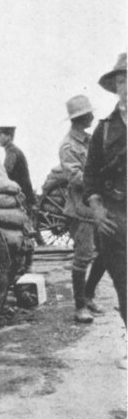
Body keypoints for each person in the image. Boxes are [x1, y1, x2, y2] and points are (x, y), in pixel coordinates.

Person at [83, 53, 127, 331]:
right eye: (121, 80)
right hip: (116, 219)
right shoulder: (105, 128)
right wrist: (97, 209)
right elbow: (90, 175)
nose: (125, 85)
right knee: (125, 288)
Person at [59, 95, 106, 323]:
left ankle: (88, 295)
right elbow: (74, 176)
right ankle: (79, 308)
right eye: (89, 114)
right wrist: (98, 179)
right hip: (81, 210)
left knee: (106, 253)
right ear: (80, 118)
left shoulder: (89, 140)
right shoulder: (69, 145)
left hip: (95, 207)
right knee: (82, 257)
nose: (93, 116)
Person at [0, 126, 36, 208]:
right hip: (25, 194)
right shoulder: (13, 150)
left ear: (9, 136)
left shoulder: (12, 152)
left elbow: (6, 172)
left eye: (0, 135)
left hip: (22, 196)